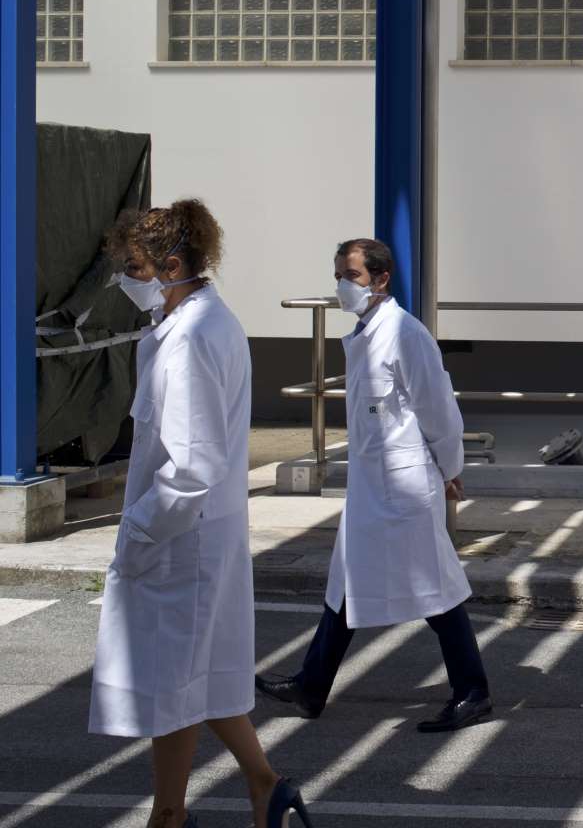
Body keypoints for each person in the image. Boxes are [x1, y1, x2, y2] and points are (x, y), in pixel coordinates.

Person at [90, 199, 309, 828]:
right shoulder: (205, 322)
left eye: (135, 267)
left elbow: (188, 468)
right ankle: (264, 786)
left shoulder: (188, 341)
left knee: (175, 685)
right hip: (198, 539)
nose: (127, 280)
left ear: (173, 264)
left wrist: (135, 533)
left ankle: (168, 815)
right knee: (199, 678)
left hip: (177, 539)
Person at [256, 239, 491, 733]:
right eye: (339, 274)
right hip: (372, 487)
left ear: (381, 279)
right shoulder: (367, 333)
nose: (343, 285)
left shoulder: (405, 333)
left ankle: (473, 692)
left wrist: (451, 469)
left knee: (436, 589)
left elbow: (439, 411)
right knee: (345, 583)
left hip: (403, 488)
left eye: (352, 275)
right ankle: (311, 685)